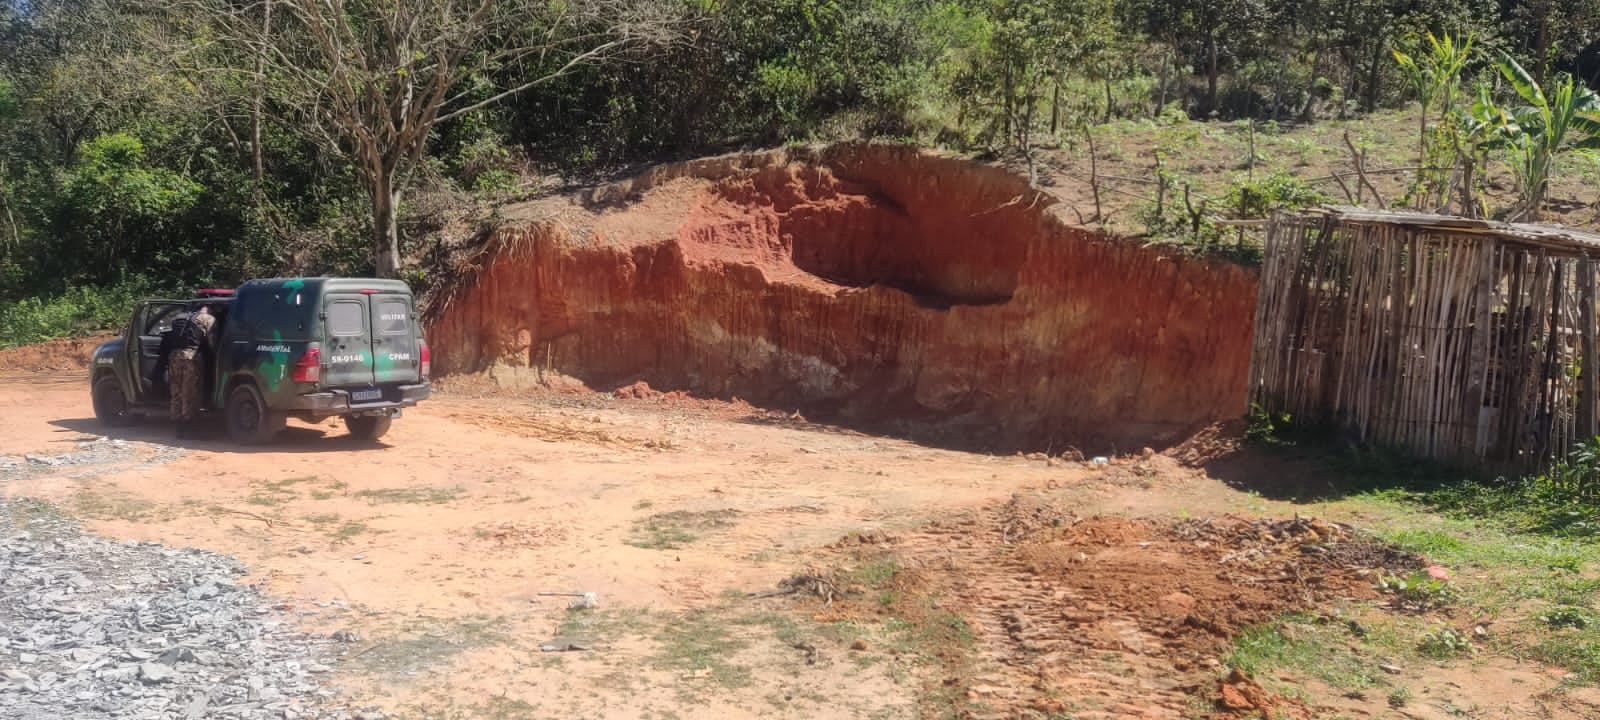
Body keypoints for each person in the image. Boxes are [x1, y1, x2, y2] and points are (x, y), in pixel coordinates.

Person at [167, 305, 216, 438]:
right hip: (191, 357)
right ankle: (190, 428)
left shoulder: (178, 317)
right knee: (190, 392)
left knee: (176, 391)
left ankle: (178, 428)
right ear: (208, 310)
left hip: (174, 356)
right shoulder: (207, 318)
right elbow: (212, 342)